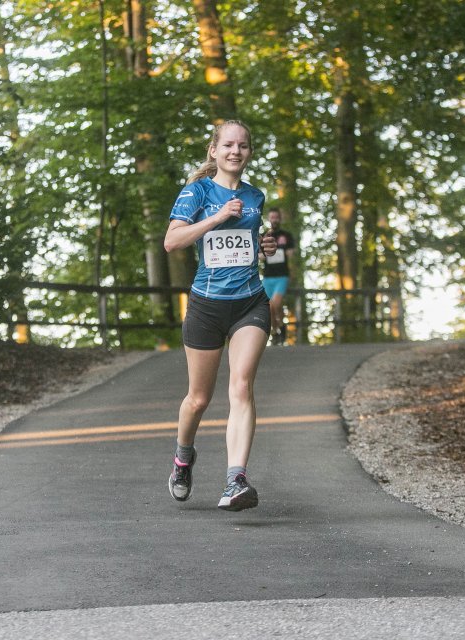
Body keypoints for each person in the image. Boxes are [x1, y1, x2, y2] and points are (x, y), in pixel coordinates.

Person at [163, 120, 277, 511]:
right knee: (198, 399)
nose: (236, 151)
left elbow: (249, 248)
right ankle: (183, 459)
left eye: (243, 146)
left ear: (249, 152)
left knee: (242, 386)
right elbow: (172, 241)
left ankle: (236, 479)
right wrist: (216, 218)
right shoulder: (196, 192)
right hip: (207, 306)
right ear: (214, 151)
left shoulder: (255, 196)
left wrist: (265, 246)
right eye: (228, 145)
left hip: (249, 301)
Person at [261, 207, 296, 345]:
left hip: (282, 275)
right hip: (268, 276)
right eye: (272, 217)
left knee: (275, 303)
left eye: (276, 217)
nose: (274, 220)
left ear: (280, 219)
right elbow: (259, 255)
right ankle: (277, 329)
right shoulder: (264, 236)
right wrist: (266, 254)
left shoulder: (286, 235)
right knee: (269, 307)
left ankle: (280, 326)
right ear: (269, 219)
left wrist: (278, 250)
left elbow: (291, 252)